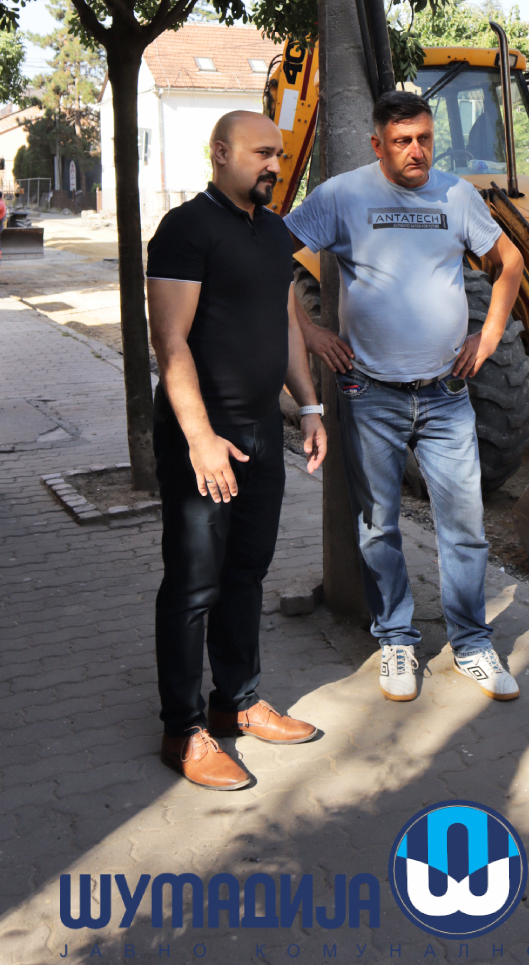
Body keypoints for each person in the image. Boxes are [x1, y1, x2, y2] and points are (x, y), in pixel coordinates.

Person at [285, 90, 525, 704]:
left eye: (424, 139)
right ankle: (395, 638)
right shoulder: (341, 196)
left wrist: (489, 335)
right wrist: (310, 333)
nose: (416, 151)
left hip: (447, 394)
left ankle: (472, 644)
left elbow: (510, 261)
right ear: (377, 144)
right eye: (401, 141)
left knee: (466, 527)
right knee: (378, 528)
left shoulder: (457, 196)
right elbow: (271, 261)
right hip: (370, 394)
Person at [146, 110, 328, 791]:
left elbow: (285, 322)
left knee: (247, 572)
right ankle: (182, 729)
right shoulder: (186, 229)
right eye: (260, 153)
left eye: (277, 154)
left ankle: (238, 701)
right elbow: (170, 342)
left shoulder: (274, 232)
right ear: (220, 153)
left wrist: (308, 405)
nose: (274, 165)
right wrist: (200, 439)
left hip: (259, 433)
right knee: (194, 583)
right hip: (203, 437)